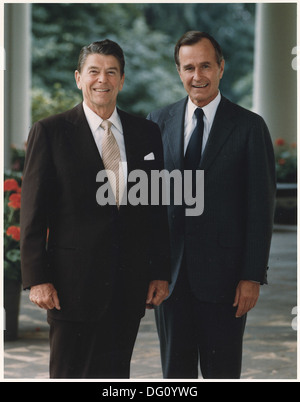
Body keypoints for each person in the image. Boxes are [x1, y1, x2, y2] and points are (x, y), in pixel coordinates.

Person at [20, 39, 170, 379]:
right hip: (70, 286)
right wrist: (37, 279)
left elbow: (156, 208)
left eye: (111, 72)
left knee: (116, 377)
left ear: (122, 79)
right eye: (94, 71)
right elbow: (32, 214)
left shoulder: (146, 133)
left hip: (127, 286)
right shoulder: (50, 132)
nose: (102, 80)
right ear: (78, 77)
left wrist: (160, 270)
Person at [147, 31, 276, 379]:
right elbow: (149, 204)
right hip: (171, 280)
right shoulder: (157, 121)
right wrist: (150, 269)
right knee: (175, 376)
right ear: (179, 72)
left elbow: (260, 210)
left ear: (221, 68)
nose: (197, 75)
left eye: (206, 65)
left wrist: (251, 276)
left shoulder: (249, 127)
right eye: (189, 67)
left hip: (226, 281)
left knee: (222, 373)